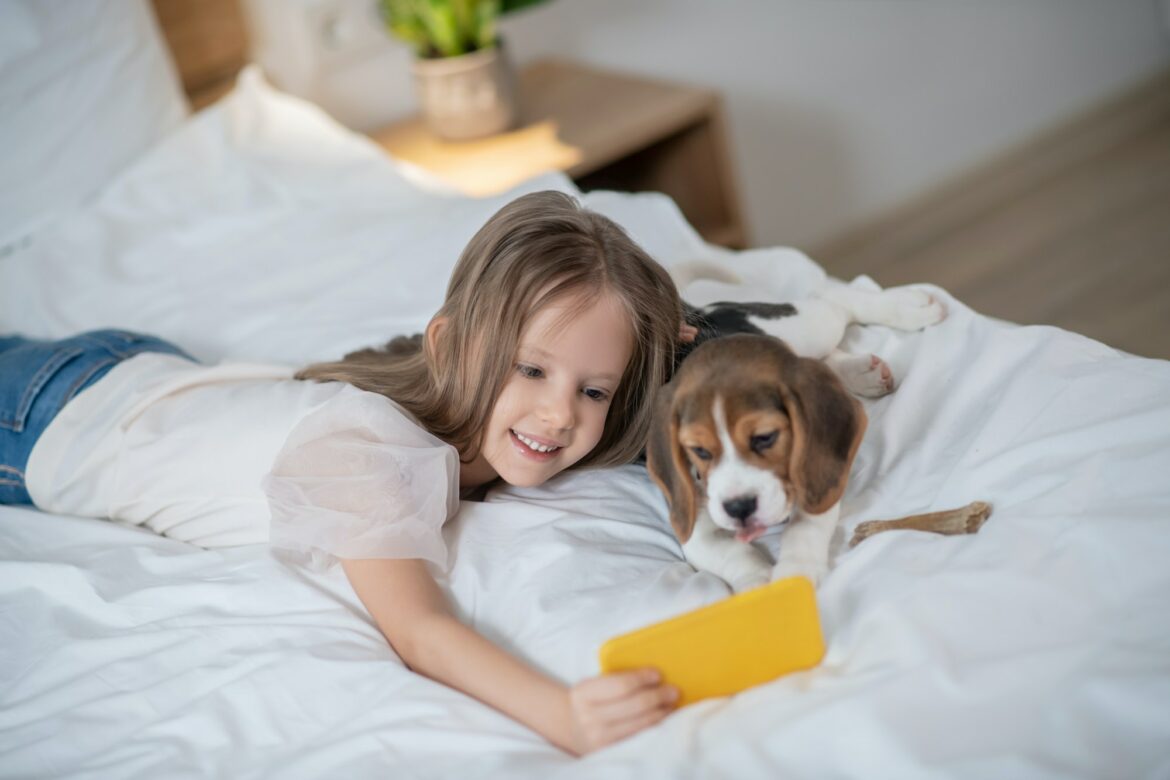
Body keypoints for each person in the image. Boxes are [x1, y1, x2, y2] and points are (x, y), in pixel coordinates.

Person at [0, 190, 685, 755]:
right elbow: (419, 630)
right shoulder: (370, 455)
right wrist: (563, 715)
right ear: (447, 344)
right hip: (49, 421)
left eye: (594, 390)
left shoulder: (456, 420)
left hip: (146, 372)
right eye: (530, 368)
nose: (559, 413)